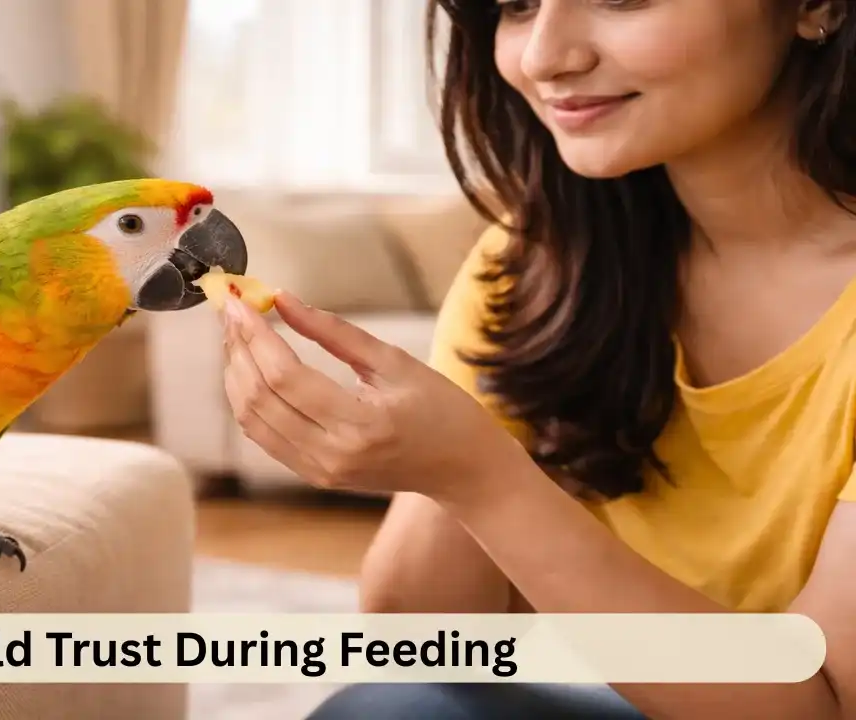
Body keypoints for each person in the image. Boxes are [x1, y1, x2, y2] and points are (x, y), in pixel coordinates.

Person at [217, 0, 855, 717]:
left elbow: (823, 706)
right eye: (515, 6)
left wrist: (483, 479)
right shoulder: (535, 265)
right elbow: (417, 647)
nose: (544, 56)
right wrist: (445, 469)